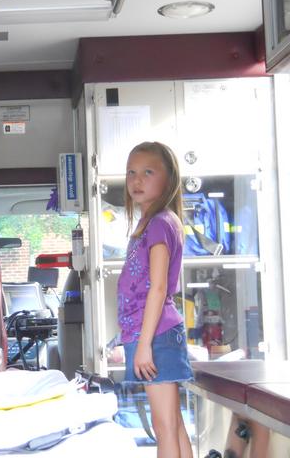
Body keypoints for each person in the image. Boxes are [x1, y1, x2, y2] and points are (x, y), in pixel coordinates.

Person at [117, 141, 193, 458]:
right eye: (132, 172)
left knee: (164, 428)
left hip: (156, 335)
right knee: (172, 425)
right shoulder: (152, 222)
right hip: (153, 333)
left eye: (148, 172)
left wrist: (145, 343)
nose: (137, 180)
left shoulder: (160, 223)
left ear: (169, 178)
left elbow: (158, 288)